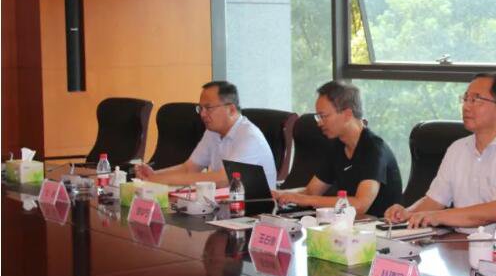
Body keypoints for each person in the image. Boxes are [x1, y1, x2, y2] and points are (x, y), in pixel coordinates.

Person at [384, 73, 496, 243]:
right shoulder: (457, 148)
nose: (466, 106)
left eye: (476, 100)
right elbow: (435, 200)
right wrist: (408, 213)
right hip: (462, 242)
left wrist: (437, 216)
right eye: (465, 99)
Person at [273, 81, 402, 217]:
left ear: (347, 114)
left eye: (323, 116)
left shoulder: (374, 148)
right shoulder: (337, 146)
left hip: (380, 225)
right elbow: (311, 191)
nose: (319, 123)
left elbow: (360, 205)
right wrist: (279, 194)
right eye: (318, 117)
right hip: (349, 223)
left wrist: (305, 200)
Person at [134, 81, 276, 189]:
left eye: (208, 108)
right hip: (223, 207)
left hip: (254, 213)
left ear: (231, 110)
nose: (202, 114)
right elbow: (189, 168)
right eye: (200, 108)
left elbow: (224, 179)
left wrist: (160, 181)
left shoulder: (249, 137)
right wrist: (154, 175)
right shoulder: (212, 132)